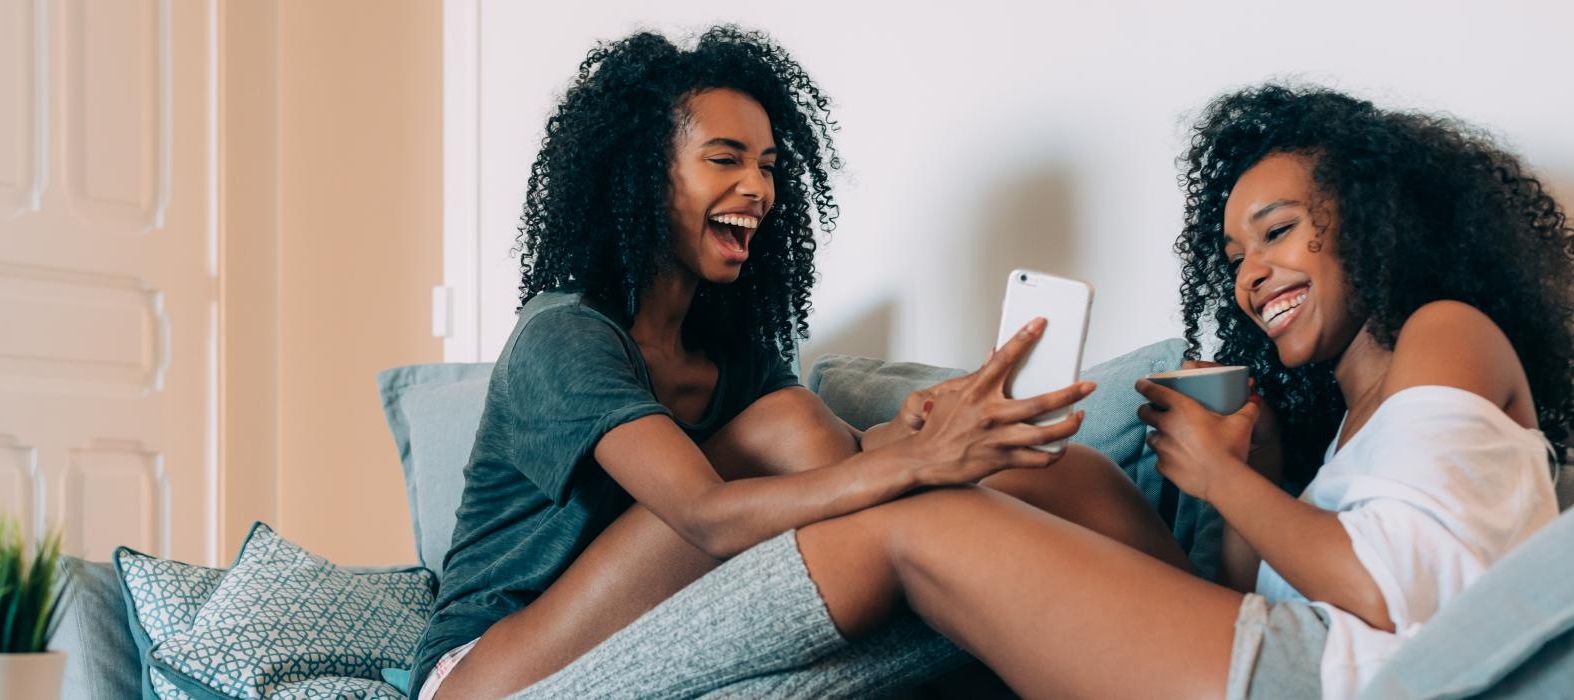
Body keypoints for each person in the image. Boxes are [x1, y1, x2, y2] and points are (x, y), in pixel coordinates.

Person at [513, 84, 1572, 699]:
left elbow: (1403, 599)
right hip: (1301, 652)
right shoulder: (1350, 411)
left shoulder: (1447, 331)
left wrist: (1221, 480)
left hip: (1339, 676)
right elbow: (1278, 592)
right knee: (1048, 465)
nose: (1252, 275)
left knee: (918, 525)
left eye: (1280, 231)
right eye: (1236, 253)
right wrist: (1248, 475)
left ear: (1374, 218)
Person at [413, 26, 1176, 699]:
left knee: (1054, 468)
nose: (760, 188)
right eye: (725, 159)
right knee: (793, 430)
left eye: (771, 166)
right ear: (645, 174)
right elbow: (709, 517)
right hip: (493, 671)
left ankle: (1212, 632)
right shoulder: (564, 337)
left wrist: (921, 429)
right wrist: (917, 462)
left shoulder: (733, 345)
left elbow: (829, 461)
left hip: (652, 610)